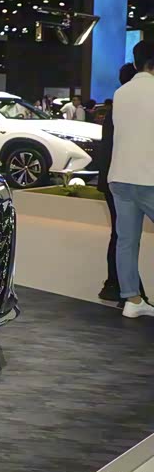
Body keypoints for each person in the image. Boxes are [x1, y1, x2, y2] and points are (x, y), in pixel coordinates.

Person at [108, 41, 154, 318]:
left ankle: (132, 300)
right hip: (149, 177)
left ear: (136, 63)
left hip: (120, 176)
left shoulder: (121, 92)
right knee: (126, 240)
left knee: (126, 240)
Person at [97, 64, 144, 304]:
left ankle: (123, 289)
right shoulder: (133, 106)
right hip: (131, 178)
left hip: (115, 177)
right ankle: (121, 287)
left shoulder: (119, 104)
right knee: (123, 237)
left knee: (122, 236)